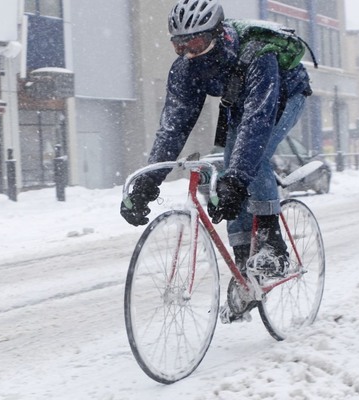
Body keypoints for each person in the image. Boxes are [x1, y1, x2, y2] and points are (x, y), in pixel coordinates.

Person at [120, 0, 312, 280]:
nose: (189, 54)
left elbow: (257, 122)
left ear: (218, 34)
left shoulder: (257, 55)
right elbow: (172, 130)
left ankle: (273, 245)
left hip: (284, 93)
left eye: (196, 43)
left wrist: (237, 180)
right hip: (239, 100)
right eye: (179, 46)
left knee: (249, 163)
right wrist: (147, 184)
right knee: (227, 174)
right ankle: (245, 267)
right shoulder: (185, 70)